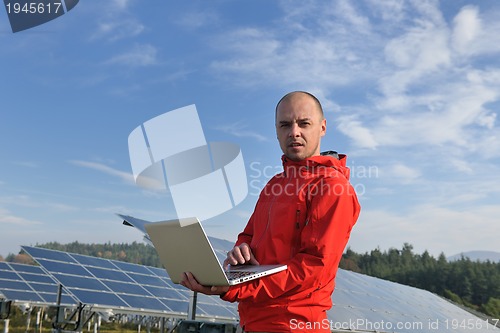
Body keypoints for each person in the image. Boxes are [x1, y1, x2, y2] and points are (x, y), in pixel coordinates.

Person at [181, 91, 361, 332]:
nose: (294, 132)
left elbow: (313, 269)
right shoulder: (274, 185)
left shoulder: (332, 187)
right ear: (276, 131)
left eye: (304, 123)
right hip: (253, 322)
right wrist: (240, 255)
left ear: (322, 127)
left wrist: (234, 287)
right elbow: (248, 236)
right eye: (285, 124)